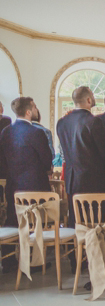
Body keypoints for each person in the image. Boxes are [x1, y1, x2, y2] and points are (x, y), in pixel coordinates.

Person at [0, 97, 52, 273]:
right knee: (36, 222)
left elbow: (3, 160)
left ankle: (8, 259)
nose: (37, 110)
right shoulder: (36, 133)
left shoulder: (6, 132)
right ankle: (33, 260)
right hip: (35, 184)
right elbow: (46, 160)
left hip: (13, 184)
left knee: (14, 219)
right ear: (29, 112)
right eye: (35, 107)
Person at [57, 86, 105, 229]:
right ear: (88, 100)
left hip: (71, 178)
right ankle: (92, 249)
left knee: (75, 218)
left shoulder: (62, 122)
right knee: (93, 219)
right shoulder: (93, 121)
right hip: (92, 178)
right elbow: (104, 151)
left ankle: (75, 248)